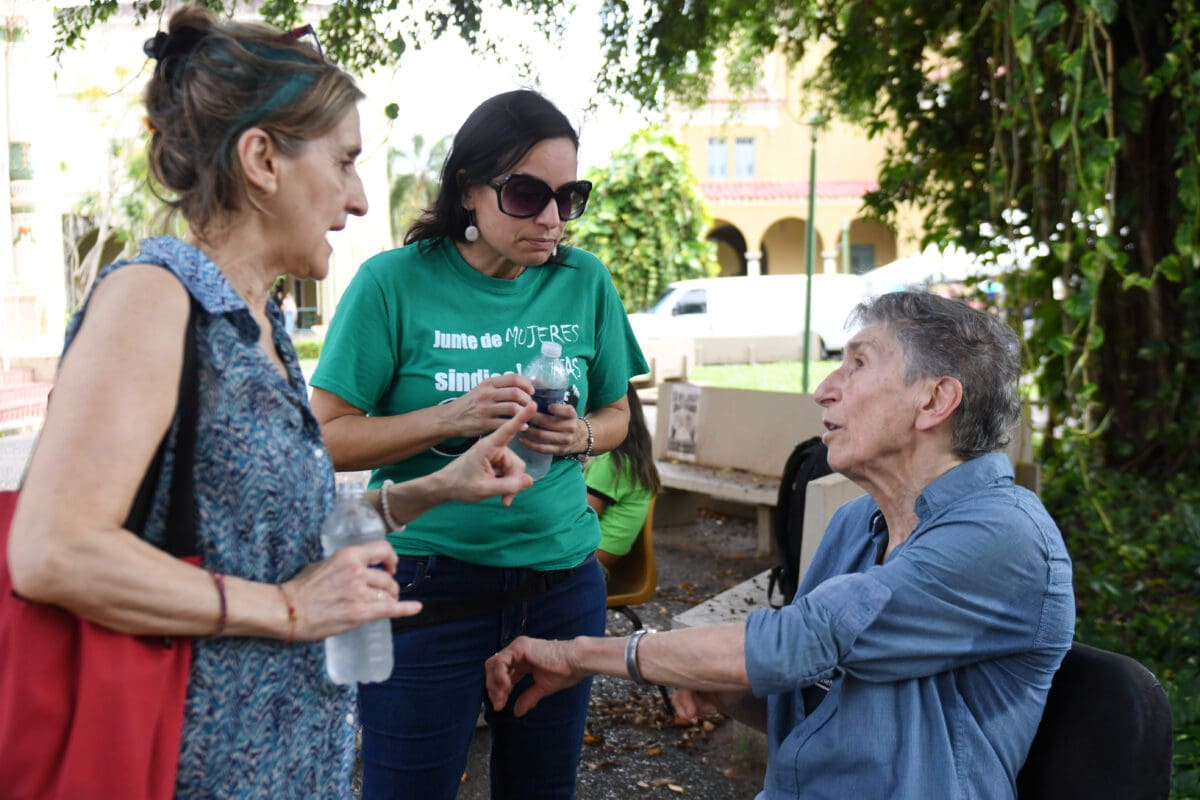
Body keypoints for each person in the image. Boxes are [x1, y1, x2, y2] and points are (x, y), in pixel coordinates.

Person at [6, 8, 537, 798]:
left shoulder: (257, 320)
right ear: (262, 159)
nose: (358, 201)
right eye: (345, 161)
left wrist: (431, 491)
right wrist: (286, 609)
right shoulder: (153, 300)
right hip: (185, 764)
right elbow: (54, 551)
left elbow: (258, 529)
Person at [486, 291, 1076, 799]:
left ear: (934, 400)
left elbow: (804, 641)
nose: (825, 390)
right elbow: (806, 691)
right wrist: (729, 691)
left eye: (858, 364)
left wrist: (580, 654)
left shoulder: (1002, 534)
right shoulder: (854, 525)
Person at [309, 89, 648, 799]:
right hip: (426, 588)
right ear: (470, 189)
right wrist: (449, 417)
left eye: (569, 196)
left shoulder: (583, 281)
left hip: (561, 583)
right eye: (528, 194)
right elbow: (327, 440)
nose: (552, 219)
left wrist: (581, 433)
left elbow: (618, 413)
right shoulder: (391, 284)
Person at [585, 383, 660, 580]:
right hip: (608, 556)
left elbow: (579, 517)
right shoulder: (631, 458)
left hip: (593, 561)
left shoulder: (611, 463)